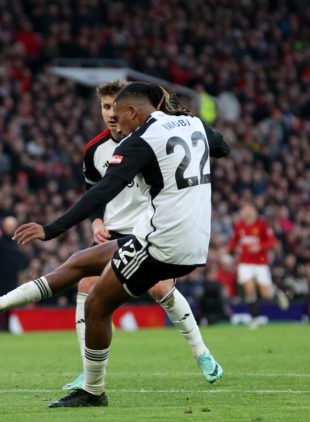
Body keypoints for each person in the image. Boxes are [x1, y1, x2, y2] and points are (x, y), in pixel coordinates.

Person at [0, 82, 230, 407]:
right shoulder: (192, 124)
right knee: (81, 262)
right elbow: (222, 147)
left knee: (96, 305)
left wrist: (51, 229)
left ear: (132, 111)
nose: (115, 120)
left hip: (161, 242)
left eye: (119, 113)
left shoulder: (140, 140)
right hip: (190, 238)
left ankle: (93, 391)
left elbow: (101, 192)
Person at [56, 81, 220, 389]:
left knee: (161, 291)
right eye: (105, 107)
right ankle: (87, 369)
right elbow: (94, 189)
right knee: (87, 287)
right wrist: (95, 222)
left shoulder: (150, 136)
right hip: (113, 230)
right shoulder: (94, 150)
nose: (110, 114)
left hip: (148, 230)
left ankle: (202, 353)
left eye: (114, 107)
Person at [227, 203, 288, 328]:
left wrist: (260, 246)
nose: (246, 212)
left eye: (249, 209)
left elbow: (272, 241)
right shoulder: (240, 226)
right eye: (244, 210)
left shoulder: (262, 225)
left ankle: (276, 292)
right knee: (249, 289)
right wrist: (229, 251)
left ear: (254, 211)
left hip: (260, 263)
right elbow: (233, 242)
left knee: (266, 294)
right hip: (245, 263)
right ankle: (255, 318)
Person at [0, 216, 29, 331]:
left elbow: (22, 262)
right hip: (0, 279)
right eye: (8, 226)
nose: (10, 228)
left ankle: (6, 326)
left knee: (10, 304)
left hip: (12, 279)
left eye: (12, 226)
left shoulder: (18, 243)